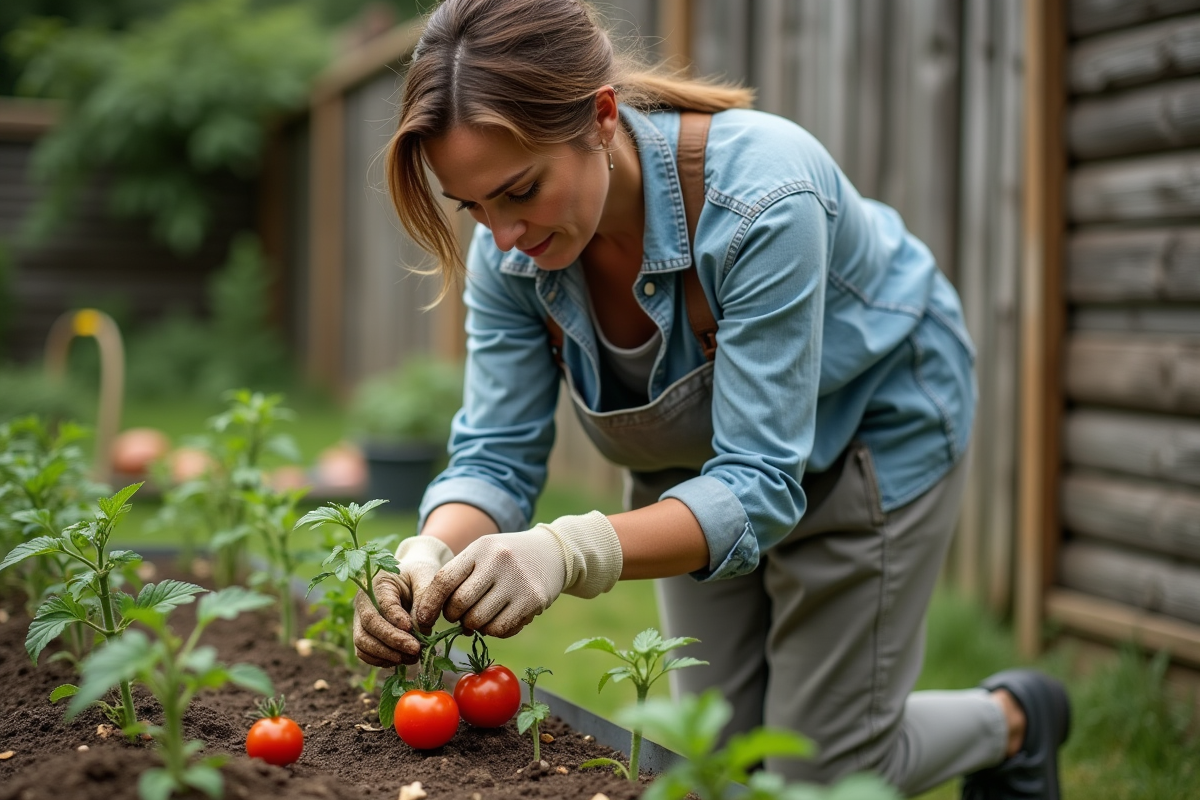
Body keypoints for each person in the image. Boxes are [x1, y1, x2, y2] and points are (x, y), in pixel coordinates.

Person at [351, 0, 1071, 797]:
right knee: (718, 763)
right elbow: (495, 454)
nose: (502, 235)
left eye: (520, 190)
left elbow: (761, 481)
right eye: (473, 206)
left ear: (600, 117)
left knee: (816, 778)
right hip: (695, 471)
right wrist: (427, 555)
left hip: (873, 426)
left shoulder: (763, 198)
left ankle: (1014, 721)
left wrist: (567, 551)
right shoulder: (509, 255)